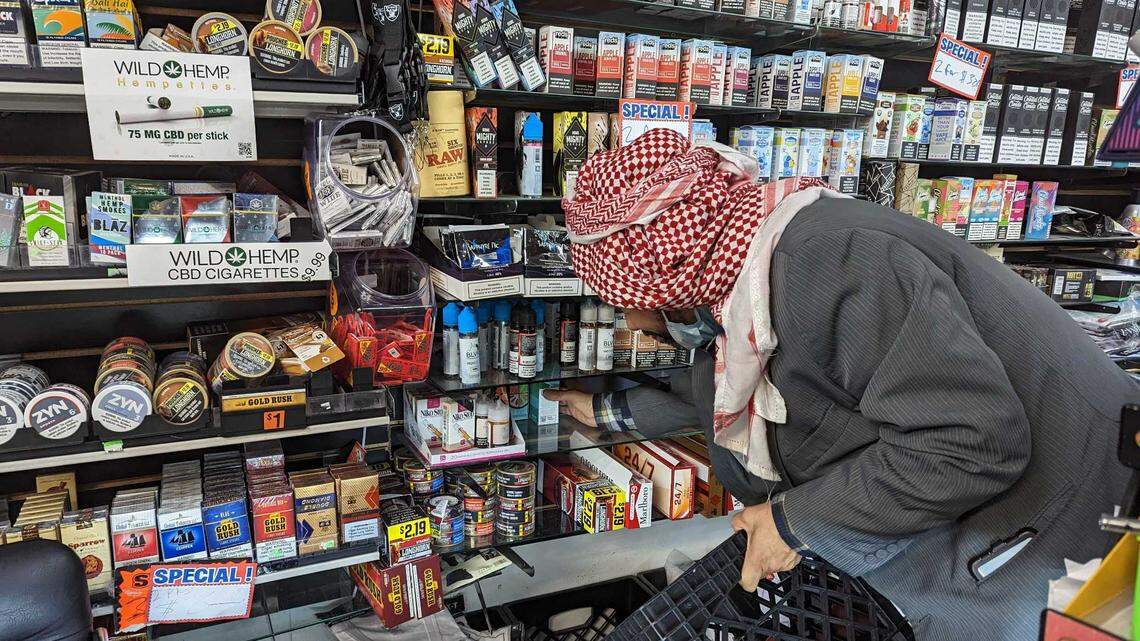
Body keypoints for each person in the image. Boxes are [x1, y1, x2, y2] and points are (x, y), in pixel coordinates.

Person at [544, 128, 1138, 640]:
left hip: (1066, 516)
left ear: (664, 270)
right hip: (998, 523)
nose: (623, 317)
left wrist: (794, 524)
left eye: (621, 298)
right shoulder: (745, 267)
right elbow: (740, 392)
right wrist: (612, 413)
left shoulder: (831, 263)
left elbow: (968, 443)